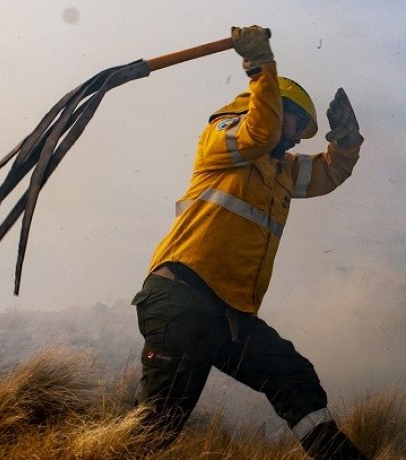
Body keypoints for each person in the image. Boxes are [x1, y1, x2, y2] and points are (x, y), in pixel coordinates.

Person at [131, 25, 368, 459]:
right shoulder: (220, 139)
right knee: (155, 430)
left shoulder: (279, 171)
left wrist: (346, 144)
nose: (298, 137)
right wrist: (261, 66)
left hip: (228, 315)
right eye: (297, 123)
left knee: (292, 376)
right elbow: (259, 132)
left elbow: (329, 173)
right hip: (182, 300)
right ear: (276, 109)